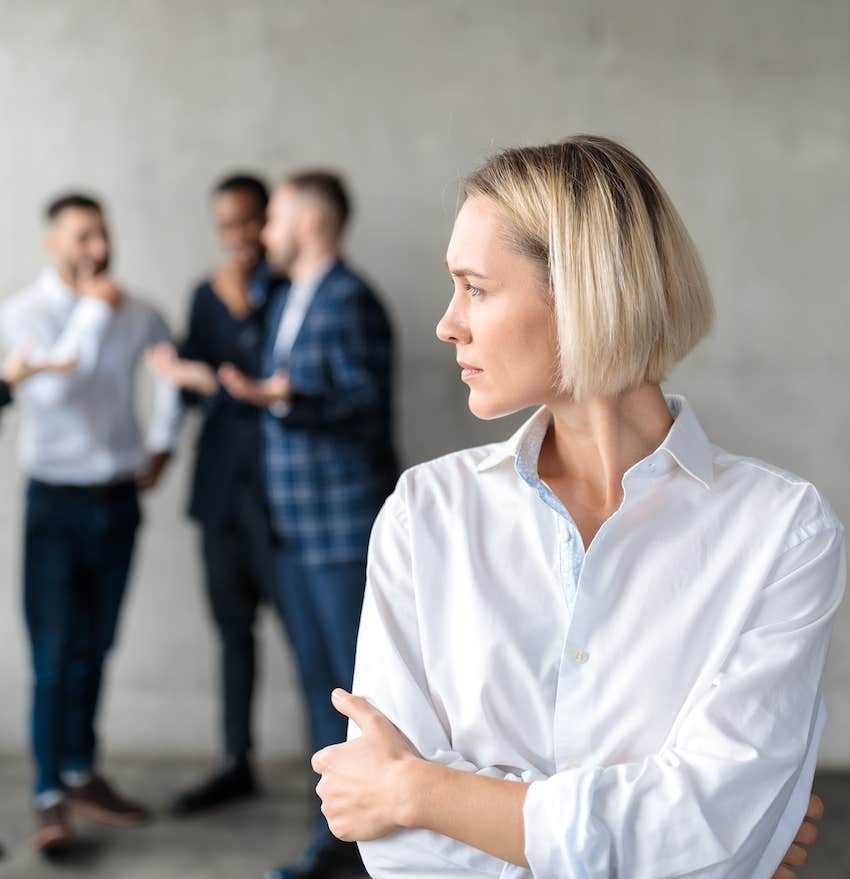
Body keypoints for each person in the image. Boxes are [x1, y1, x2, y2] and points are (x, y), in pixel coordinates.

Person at [307, 137, 843, 878]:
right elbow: (405, 854)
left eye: (477, 287)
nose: (447, 322)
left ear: (583, 291)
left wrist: (420, 788)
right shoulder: (425, 512)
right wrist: (678, 848)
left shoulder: (785, 530)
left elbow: (713, 823)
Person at [217, 170, 398, 879]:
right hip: (291, 529)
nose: (261, 233)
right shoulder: (292, 294)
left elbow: (364, 403)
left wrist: (287, 398)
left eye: (274, 220)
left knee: (361, 697)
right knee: (321, 689)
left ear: (311, 223)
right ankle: (340, 839)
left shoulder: (352, 299)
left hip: (342, 528)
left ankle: (368, 847)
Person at [0, 193, 179, 854]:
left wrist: (162, 445)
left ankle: (80, 772)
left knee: (97, 645)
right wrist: (92, 317)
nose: (97, 250)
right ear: (52, 242)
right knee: (53, 652)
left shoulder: (139, 311)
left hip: (117, 501)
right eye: (82, 237)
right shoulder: (24, 314)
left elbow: (171, 372)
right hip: (54, 502)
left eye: (102, 235)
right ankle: (49, 793)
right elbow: (47, 391)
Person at [146, 173, 280, 814]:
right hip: (221, 490)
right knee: (232, 633)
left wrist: (210, 378)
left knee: (317, 641)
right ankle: (236, 760)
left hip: (283, 495)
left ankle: (334, 778)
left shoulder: (291, 288)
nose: (241, 237)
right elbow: (184, 384)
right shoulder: (205, 294)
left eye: (250, 221)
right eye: (227, 225)